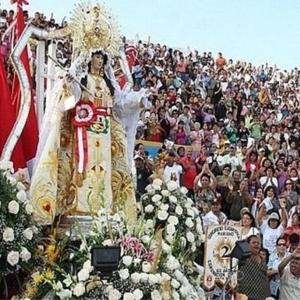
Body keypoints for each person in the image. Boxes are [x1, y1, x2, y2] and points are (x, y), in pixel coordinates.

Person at [29, 3, 137, 224]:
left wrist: (139, 100)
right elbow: (73, 98)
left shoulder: (108, 83)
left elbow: (119, 102)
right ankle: (78, 209)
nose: (99, 60)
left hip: (105, 134)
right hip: (84, 132)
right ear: (89, 58)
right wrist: (70, 83)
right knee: (83, 169)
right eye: (96, 57)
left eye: (102, 58)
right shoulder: (84, 79)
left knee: (105, 173)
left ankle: (104, 212)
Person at [237, 235, 270, 299]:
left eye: (258, 243)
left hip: (262, 297)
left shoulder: (262, 259)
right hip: (246, 296)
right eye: (253, 242)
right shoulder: (243, 258)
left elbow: (265, 277)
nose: (256, 244)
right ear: (248, 245)